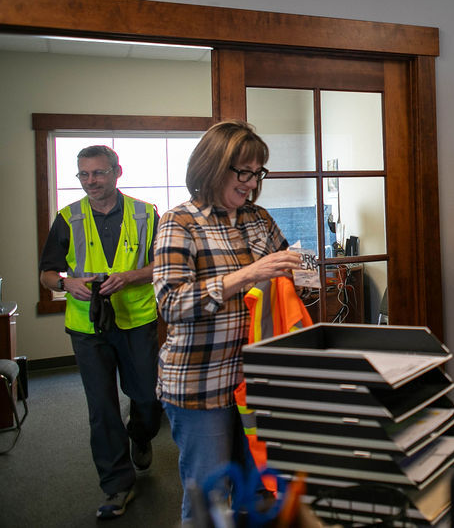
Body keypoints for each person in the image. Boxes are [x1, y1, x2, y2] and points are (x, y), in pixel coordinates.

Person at [153, 120, 302, 522]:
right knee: (210, 497)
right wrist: (248, 275)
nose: (252, 184)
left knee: (257, 494)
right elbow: (171, 303)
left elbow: (283, 272)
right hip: (201, 384)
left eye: (258, 173)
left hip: (257, 383)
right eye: (244, 172)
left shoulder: (258, 218)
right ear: (212, 166)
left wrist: (297, 277)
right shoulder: (179, 222)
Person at [38, 145, 161, 520]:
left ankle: (140, 434)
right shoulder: (67, 217)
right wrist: (66, 282)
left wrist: (130, 276)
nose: (91, 181)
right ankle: (116, 485)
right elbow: (47, 275)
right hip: (87, 326)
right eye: (83, 175)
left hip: (137, 320)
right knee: (101, 407)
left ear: (116, 172)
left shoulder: (147, 214)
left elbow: (164, 265)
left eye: (98, 173)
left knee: (148, 398)